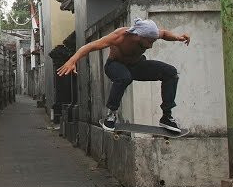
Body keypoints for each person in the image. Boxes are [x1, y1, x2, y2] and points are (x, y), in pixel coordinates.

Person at [56, 18, 189, 133]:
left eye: (153, 42)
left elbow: (164, 33)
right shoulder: (118, 36)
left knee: (171, 72)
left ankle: (166, 116)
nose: (151, 46)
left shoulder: (149, 32)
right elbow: (90, 46)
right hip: (114, 65)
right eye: (149, 42)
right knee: (124, 77)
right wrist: (72, 60)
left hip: (136, 66)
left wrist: (177, 37)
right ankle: (111, 114)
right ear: (138, 36)